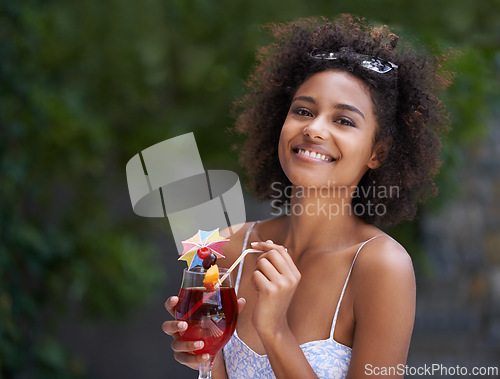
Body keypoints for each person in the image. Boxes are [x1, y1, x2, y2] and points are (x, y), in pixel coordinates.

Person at [162, 15, 452, 378]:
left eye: (343, 120)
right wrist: (207, 355)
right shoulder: (225, 248)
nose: (314, 128)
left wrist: (275, 331)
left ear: (378, 151)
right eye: (303, 111)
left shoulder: (381, 268)